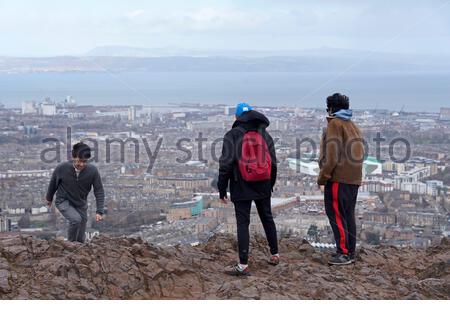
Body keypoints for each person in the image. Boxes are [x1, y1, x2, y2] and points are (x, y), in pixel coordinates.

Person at [218, 102, 278, 276]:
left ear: (236, 117)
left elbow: (225, 165)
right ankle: (275, 254)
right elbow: (273, 163)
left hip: (241, 185)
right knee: (267, 218)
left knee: (243, 223)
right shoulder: (265, 135)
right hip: (263, 184)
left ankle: (243, 265)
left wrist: (222, 190)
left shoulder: (232, 135)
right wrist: (270, 184)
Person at [317, 93, 365, 265]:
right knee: (348, 215)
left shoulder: (335, 124)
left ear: (330, 108)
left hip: (339, 179)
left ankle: (343, 253)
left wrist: (322, 178)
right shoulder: (353, 125)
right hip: (354, 179)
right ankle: (350, 251)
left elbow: (332, 156)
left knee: (336, 214)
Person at [45, 142, 105, 243]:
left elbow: (99, 190)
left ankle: (78, 250)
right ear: (73, 157)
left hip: (80, 204)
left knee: (81, 238)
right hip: (63, 201)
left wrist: (99, 211)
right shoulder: (62, 168)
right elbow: (53, 183)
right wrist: (49, 198)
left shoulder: (92, 171)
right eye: (79, 161)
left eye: (84, 161)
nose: (81, 164)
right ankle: (70, 245)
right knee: (75, 220)